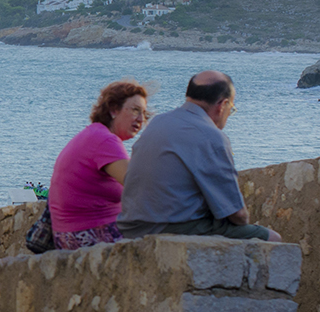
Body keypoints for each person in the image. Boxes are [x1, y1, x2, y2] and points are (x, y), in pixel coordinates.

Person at [118, 70, 281, 242]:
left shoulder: (157, 123)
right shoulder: (211, 136)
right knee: (272, 239)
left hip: (131, 227)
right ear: (222, 104)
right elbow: (237, 214)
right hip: (170, 228)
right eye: (231, 108)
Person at [47, 79, 150, 250]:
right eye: (135, 110)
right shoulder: (105, 141)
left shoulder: (94, 134)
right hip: (87, 234)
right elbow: (139, 186)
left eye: (144, 113)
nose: (141, 119)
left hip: (69, 233)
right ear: (113, 109)